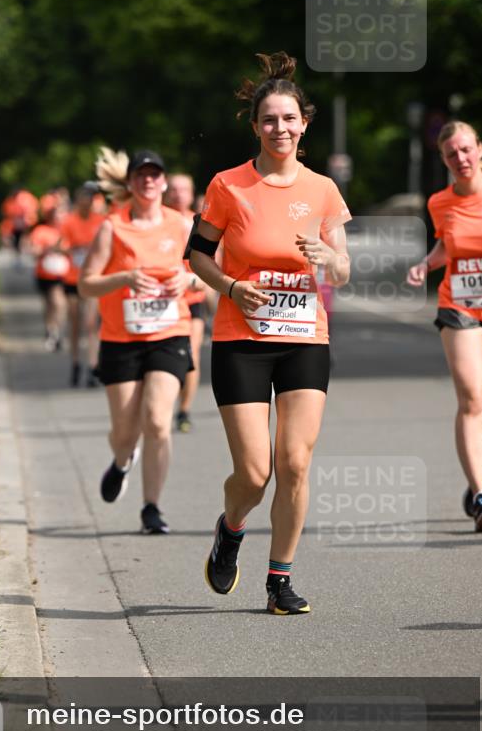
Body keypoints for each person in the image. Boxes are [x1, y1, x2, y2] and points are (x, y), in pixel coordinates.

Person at [188, 52, 351, 614]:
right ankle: (231, 527)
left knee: (296, 463)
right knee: (255, 473)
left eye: (289, 119)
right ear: (256, 126)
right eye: (269, 120)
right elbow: (197, 255)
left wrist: (330, 255)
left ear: (304, 123)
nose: (280, 128)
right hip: (241, 339)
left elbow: (343, 269)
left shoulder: (325, 190)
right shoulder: (229, 186)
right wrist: (231, 287)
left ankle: (279, 580)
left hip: (305, 335)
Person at [78, 148, 194, 534]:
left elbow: (206, 273)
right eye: (140, 174)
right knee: (125, 431)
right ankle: (122, 459)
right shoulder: (113, 227)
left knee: (159, 421)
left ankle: (151, 508)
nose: (148, 180)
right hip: (121, 337)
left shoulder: (181, 225)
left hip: (169, 332)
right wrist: (124, 279)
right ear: (130, 183)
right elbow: (85, 285)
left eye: (154, 174)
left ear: (163, 182)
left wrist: (187, 279)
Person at [407, 121, 482, 532]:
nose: (460, 159)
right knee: (472, 399)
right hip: (459, 305)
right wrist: (426, 264)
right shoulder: (439, 202)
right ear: (443, 160)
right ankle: (481, 496)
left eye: (465, 150)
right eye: (451, 154)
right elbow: (449, 243)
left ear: (479, 148)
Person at [165, 173, 208, 432]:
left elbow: (214, 268)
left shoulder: (200, 224)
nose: (178, 194)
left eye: (184, 189)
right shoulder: (154, 221)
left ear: (192, 194)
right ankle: (159, 408)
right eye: (174, 189)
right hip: (161, 302)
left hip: (191, 300)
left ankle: (183, 410)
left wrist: (193, 281)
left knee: (191, 356)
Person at [59, 184, 105, 387]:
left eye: (89, 203)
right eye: (83, 203)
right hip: (72, 279)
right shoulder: (69, 221)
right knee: (75, 325)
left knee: (91, 324)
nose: (86, 207)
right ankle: (75, 363)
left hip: (93, 278)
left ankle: (93, 367)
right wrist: (71, 248)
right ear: (78, 203)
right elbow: (61, 245)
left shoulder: (101, 221)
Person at [29, 208, 69, 350]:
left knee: (58, 301)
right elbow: (34, 251)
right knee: (48, 304)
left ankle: (58, 332)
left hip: (61, 274)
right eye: (58, 215)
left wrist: (61, 250)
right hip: (44, 273)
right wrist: (48, 249)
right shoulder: (40, 231)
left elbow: (73, 249)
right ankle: (50, 330)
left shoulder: (67, 230)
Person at [1, 186, 39, 257]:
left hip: (24, 220)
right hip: (27, 220)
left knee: (23, 235)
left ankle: (22, 249)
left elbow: (11, 211)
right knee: (22, 235)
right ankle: (21, 249)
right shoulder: (28, 196)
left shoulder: (20, 198)